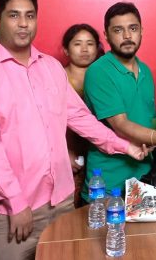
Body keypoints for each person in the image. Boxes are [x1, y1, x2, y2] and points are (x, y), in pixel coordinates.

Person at [0, 0, 147, 260]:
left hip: (62, 201)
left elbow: (80, 118)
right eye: (14, 15)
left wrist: (124, 146)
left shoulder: (50, 67)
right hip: (17, 210)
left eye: (30, 15)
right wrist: (16, 203)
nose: (23, 23)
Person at [82, 2, 156, 201]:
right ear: (106, 35)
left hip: (145, 177)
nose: (127, 36)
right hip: (108, 184)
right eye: (118, 30)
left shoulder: (145, 70)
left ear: (142, 31)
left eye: (133, 28)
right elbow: (121, 125)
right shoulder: (98, 71)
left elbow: (147, 121)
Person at [61, 23, 104, 207]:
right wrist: (64, 152)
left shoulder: (105, 78)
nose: (84, 49)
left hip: (99, 152)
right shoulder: (56, 78)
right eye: (78, 44)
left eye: (90, 43)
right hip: (66, 153)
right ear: (66, 49)